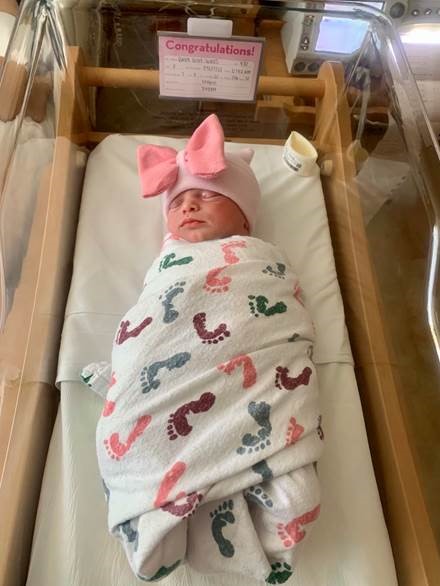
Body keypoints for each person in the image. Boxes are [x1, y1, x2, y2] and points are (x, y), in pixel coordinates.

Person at [82, 114, 323, 585]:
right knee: (133, 432)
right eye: (177, 202)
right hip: (170, 363)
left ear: (245, 216)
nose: (189, 204)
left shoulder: (261, 259)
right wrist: (129, 370)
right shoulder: (167, 265)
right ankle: (160, 519)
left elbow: (287, 316)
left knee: (296, 494)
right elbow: (152, 321)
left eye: (208, 195)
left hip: (259, 364)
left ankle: (249, 505)